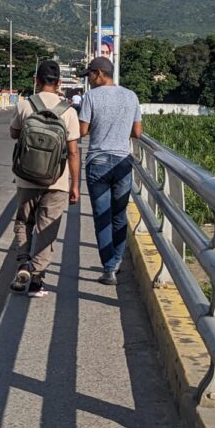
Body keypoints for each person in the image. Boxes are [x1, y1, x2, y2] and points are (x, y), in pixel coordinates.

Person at [9, 60, 80, 297]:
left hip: (26, 178)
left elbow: (14, 133)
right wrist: (75, 185)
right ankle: (37, 279)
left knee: (23, 222)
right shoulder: (68, 111)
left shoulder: (24, 105)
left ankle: (22, 264)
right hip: (57, 181)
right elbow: (73, 152)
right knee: (47, 229)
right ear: (59, 83)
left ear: (36, 81)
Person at [78, 57, 142, 286]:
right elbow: (137, 133)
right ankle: (116, 261)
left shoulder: (91, 97)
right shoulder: (131, 96)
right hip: (123, 162)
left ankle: (108, 270)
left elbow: (82, 130)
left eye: (89, 75)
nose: (88, 79)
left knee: (102, 216)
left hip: (98, 162)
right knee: (119, 215)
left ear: (99, 73)